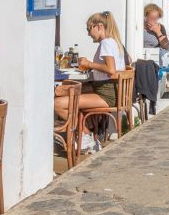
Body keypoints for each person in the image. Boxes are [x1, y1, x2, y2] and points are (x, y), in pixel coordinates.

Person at [54, 12, 128, 148]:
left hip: (107, 95)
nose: (88, 34)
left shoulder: (106, 43)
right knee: (65, 90)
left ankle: (86, 136)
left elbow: (110, 69)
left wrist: (88, 64)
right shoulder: (113, 42)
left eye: (89, 29)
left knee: (58, 104)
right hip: (110, 90)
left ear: (99, 27)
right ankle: (80, 131)